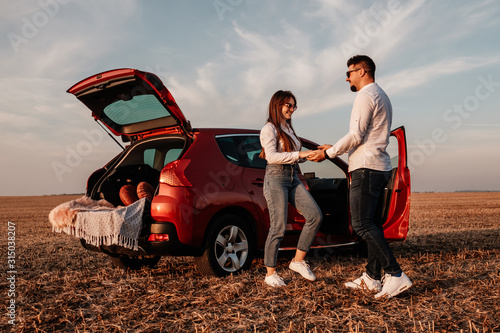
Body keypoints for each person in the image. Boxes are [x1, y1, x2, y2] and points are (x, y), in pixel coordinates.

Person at [308, 55, 412, 298]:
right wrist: (331, 147)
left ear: (363, 71)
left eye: (350, 72)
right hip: (379, 166)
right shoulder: (382, 95)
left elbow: (356, 135)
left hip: (365, 168)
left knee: (362, 224)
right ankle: (373, 277)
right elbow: (365, 136)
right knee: (373, 223)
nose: (347, 77)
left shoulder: (365, 95)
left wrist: (329, 153)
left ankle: (395, 274)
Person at [260, 90, 323, 288]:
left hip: (292, 176)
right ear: (277, 105)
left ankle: (297, 261)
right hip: (276, 177)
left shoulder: (288, 128)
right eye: (288, 105)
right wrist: (301, 155)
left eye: (294, 106)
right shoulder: (269, 129)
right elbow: (271, 157)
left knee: (315, 216)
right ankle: (270, 273)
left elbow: (295, 154)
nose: (291, 109)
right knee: (278, 227)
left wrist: (317, 152)